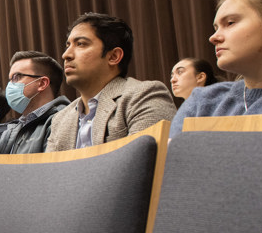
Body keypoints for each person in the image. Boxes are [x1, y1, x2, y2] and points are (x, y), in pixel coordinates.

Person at [170, 0, 262, 138]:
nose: (213, 38)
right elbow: (171, 160)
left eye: (230, 23)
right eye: (215, 28)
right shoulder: (202, 100)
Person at [47, 13, 176, 151]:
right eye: (68, 45)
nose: (66, 55)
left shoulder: (144, 96)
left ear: (114, 56)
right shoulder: (60, 119)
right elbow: (49, 171)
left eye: (81, 44)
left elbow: (144, 163)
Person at [0, 51, 70, 154]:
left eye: (16, 77)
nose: (10, 85)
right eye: (10, 80)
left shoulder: (63, 120)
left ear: (42, 83)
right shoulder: (11, 130)